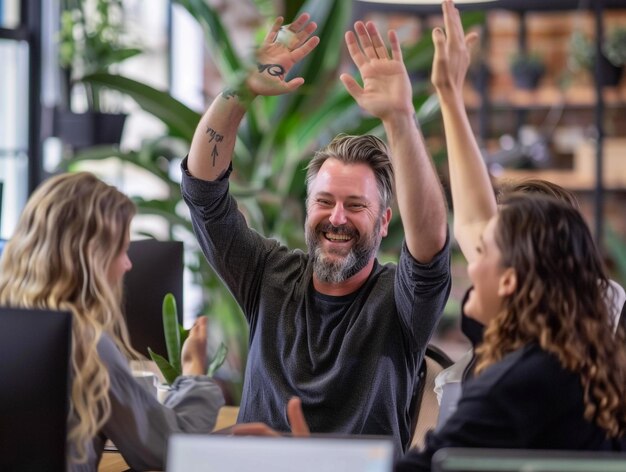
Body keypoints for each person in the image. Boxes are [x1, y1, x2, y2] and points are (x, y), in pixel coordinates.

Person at [182, 12, 451, 453]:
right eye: (324, 202)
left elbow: (430, 248)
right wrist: (240, 90)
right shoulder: (267, 276)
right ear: (308, 208)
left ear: (385, 222)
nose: (337, 218)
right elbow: (203, 192)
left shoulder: (400, 303)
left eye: (357, 205)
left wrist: (401, 119)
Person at [236, 193, 626, 471]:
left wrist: (313, 463)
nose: (470, 267)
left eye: (482, 252)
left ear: (509, 280)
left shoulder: (516, 384)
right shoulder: (578, 365)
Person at [431, 0, 626, 401]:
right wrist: (448, 97)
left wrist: (450, 96)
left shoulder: (596, 307)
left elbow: (472, 222)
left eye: (491, 247)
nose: (474, 259)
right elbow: (471, 223)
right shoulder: (515, 330)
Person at [0, 172, 224, 471]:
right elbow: (168, 447)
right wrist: (195, 373)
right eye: (121, 249)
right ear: (91, 256)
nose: (128, 263)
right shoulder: (85, 344)